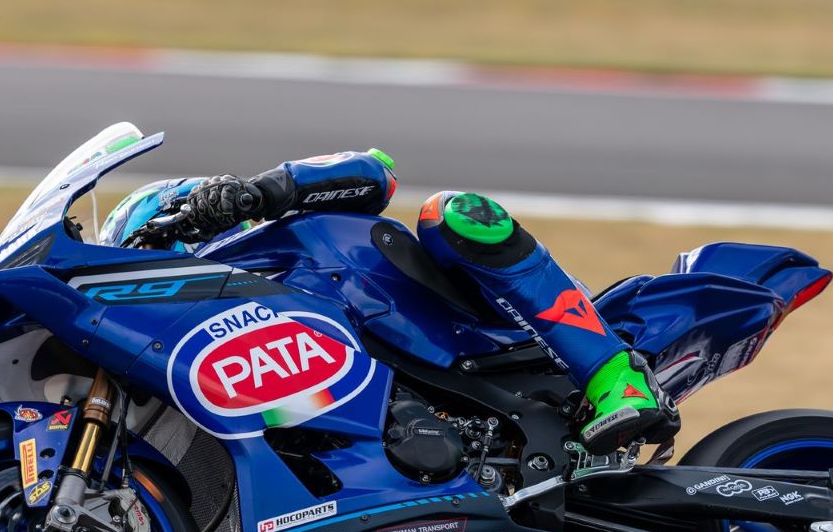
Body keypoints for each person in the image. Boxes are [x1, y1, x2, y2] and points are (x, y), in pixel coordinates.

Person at [99, 149, 680, 454]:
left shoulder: (271, 235)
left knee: (456, 212)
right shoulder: (207, 362)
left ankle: (615, 376)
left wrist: (259, 193)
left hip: (475, 326)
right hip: (404, 407)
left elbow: (377, 171)